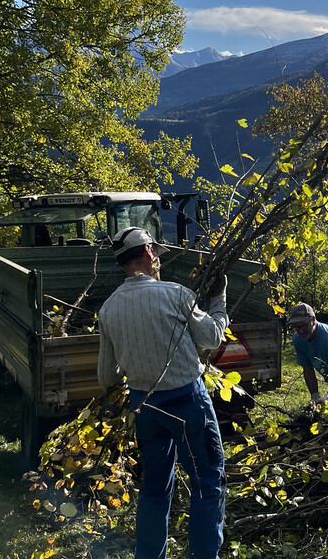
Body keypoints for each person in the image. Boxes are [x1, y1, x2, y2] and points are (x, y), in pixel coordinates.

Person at [97, 226, 228, 559]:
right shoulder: (175, 294)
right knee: (207, 485)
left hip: (146, 406)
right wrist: (219, 301)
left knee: (154, 489)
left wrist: (134, 365)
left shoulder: (109, 309)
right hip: (187, 401)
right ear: (147, 253)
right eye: (156, 253)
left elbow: (105, 376)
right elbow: (212, 338)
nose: (157, 260)